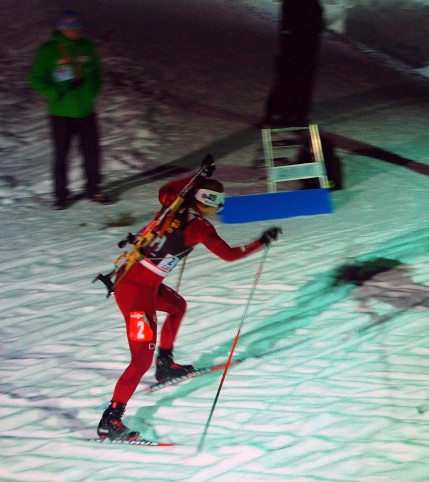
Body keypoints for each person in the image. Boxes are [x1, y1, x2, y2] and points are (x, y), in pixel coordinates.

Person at [97, 176, 282, 441]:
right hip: (136, 295)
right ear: (206, 202)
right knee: (139, 360)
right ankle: (111, 419)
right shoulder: (199, 226)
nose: (219, 210)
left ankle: (166, 365)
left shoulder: (175, 205)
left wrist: (198, 176)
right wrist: (260, 242)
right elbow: (228, 255)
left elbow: (165, 189)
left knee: (176, 306)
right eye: (216, 204)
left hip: (141, 285)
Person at [30, 10, 109, 210]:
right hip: (61, 114)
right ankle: (61, 195)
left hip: (86, 111)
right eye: (71, 28)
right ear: (62, 29)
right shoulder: (49, 50)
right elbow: (37, 79)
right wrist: (55, 93)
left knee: (91, 153)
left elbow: (97, 74)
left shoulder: (86, 47)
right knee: (62, 155)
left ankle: (94, 189)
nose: (75, 32)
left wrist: (93, 91)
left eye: (77, 28)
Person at [259, 0, 324, 127]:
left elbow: (286, 27)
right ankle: (294, 116)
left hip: (294, 49)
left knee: (286, 82)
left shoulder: (294, 4)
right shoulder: (312, 6)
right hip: (303, 51)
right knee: (297, 83)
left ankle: (283, 115)